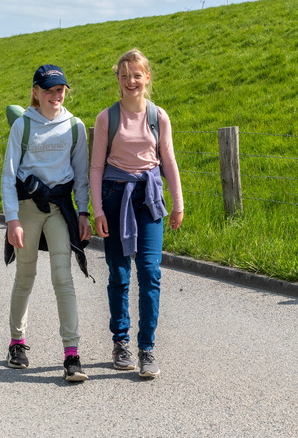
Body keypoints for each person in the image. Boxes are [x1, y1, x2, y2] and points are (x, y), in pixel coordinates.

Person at [90, 49, 183, 379]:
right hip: (115, 198)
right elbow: (96, 166)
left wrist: (178, 203)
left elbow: (168, 161)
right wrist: (97, 210)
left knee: (149, 272)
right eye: (124, 75)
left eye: (137, 75)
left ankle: (147, 348)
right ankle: (121, 343)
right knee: (118, 274)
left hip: (149, 199)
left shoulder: (159, 116)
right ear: (118, 79)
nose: (131, 81)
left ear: (147, 78)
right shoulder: (106, 118)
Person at [1, 64, 91, 383]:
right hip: (28, 208)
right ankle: (17, 343)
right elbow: (9, 176)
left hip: (58, 209)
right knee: (25, 276)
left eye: (61, 89)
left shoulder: (75, 126)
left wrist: (83, 213)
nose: (56, 95)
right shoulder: (23, 127)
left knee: (62, 278)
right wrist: (12, 219)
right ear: (36, 92)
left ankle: (71, 353)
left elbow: (81, 175)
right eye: (50, 89)